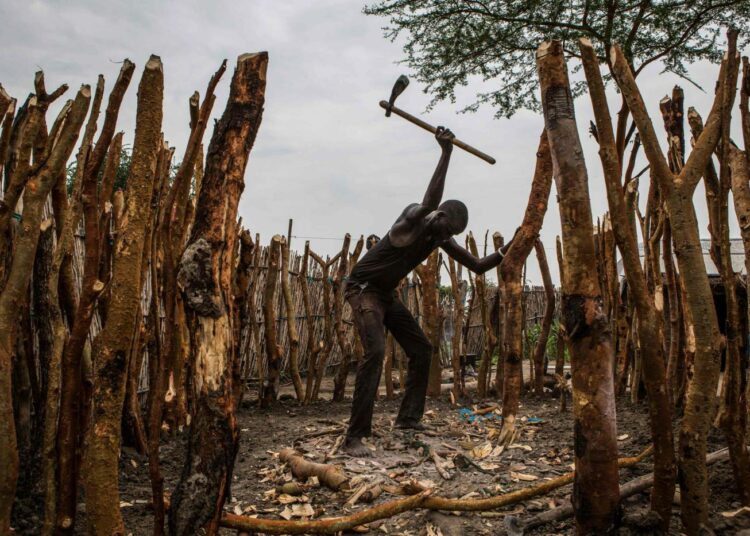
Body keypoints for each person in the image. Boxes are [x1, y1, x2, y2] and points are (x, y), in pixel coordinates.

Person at [343, 126, 514, 456]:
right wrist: (446, 153)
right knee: (376, 352)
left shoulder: (439, 235)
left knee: (421, 349)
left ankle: (408, 419)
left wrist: (509, 248)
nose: (444, 236)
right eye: (444, 227)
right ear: (439, 215)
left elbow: (477, 265)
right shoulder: (412, 218)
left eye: (450, 233)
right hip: (363, 289)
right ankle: (355, 436)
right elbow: (429, 199)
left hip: (386, 294)